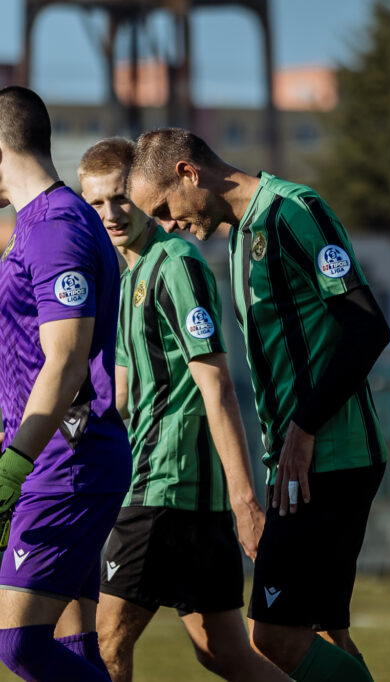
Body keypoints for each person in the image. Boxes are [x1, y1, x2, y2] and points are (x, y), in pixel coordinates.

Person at [127, 128, 390, 682]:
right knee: (325, 633)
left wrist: (303, 428)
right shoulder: (240, 235)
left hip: (332, 455)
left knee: (271, 636)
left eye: (165, 209)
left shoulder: (293, 211)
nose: (167, 226)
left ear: (187, 173)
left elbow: (368, 328)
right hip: (298, 462)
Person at [77, 138, 289, 681]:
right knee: (224, 653)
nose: (110, 213)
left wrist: (246, 502)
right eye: (96, 203)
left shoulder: (176, 263)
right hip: (179, 495)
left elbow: (217, 386)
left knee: (104, 643)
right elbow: (120, 399)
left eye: (120, 198)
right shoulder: (127, 279)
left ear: (143, 192)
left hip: (164, 487)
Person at [0, 86, 131, 680]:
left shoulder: (56, 226)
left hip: (64, 463)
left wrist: (13, 466)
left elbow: (66, 361)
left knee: (18, 644)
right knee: (73, 645)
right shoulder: (32, 225)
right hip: (47, 459)